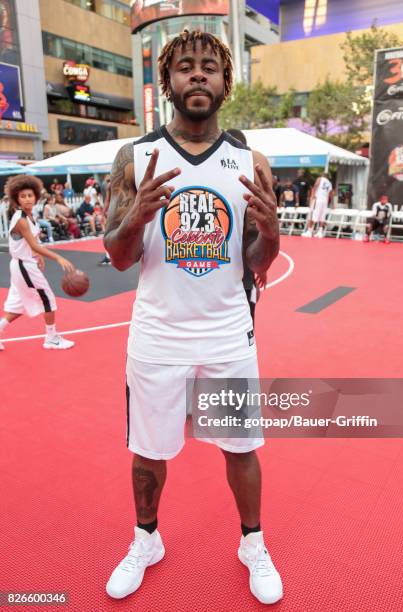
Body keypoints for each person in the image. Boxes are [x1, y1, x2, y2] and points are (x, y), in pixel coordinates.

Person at [103, 29, 283, 605]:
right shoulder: (135, 158)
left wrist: (272, 233)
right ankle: (145, 538)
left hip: (228, 332)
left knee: (240, 446)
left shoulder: (249, 160)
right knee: (148, 450)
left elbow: (257, 262)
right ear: (168, 82)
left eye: (209, 67)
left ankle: (253, 542)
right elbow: (119, 256)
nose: (197, 75)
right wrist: (134, 216)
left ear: (226, 83)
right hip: (157, 333)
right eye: (185, 67)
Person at [0, 175, 75, 351]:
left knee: (18, 306)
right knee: (47, 298)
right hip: (23, 266)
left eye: (30, 195)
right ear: (16, 199)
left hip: (23, 264)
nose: (27, 199)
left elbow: (28, 244)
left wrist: (36, 255)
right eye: (22, 196)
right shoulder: (21, 219)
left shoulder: (29, 216)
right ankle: (51, 338)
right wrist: (58, 257)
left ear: (35, 196)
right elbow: (33, 244)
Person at [227, 128, 267, 325]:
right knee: (244, 329)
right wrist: (261, 268)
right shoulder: (245, 181)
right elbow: (256, 229)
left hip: (235, 276)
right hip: (240, 276)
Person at [301, 171, 333, 238]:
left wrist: (312, 195)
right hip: (325, 201)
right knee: (322, 216)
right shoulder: (330, 183)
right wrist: (332, 204)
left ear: (323, 175)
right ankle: (320, 232)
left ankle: (309, 231)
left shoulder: (320, 179)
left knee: (313, 214)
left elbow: (315, 186)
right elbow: (330, 195)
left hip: (318, 199)